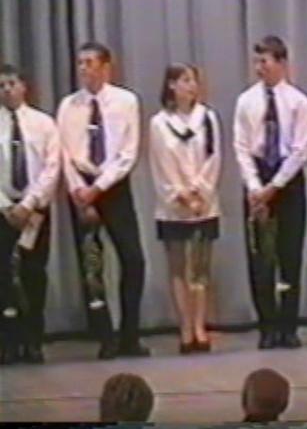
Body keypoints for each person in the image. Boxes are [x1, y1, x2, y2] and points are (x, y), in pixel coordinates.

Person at [56, 42, 149, 360]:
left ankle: (130, 335)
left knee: (133, 260)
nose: (84, 69)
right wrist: (79, 190)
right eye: (80, 63)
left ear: (106, 67)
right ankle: (104, 336)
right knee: (92, 265)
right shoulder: (69, 106)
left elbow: (128, 153)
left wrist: (100, 187)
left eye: (90, 62)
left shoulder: (125, 101)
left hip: (113, 185)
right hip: (81, 188)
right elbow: (64, 153)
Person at [234, 36, 307, 349]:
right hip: (258, 177)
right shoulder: (246, 101)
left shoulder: (298, 101)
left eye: (265, 61)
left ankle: (288, 326)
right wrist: (256, 187)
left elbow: (300, 149)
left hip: (287, 180)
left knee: (289, 254)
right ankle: (266, 325)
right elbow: (241, 147)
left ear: (281, 63)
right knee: (260, 258)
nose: (259, 68)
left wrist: (275, 186)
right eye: (256, 62)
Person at [149, 64, 222, 354]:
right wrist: (179, 195)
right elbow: (160, 165)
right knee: (178, 267)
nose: (191, 86)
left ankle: (200, 326)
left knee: (200, 269)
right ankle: (185, 328)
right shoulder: (159, 123)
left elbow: (214, 157)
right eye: (185, 80)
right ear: (171, 85)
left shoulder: (208, 118)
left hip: (203, 204)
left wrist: (200, 192)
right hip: (174, 207)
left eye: (194, 80)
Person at [0, 64, 60, 365]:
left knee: (34, 274)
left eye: (12, 83)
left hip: (35, 209)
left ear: (24, 86)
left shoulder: (43, 123)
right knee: (3, 277)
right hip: (3, 209)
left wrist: (30, 202)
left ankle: (34, 339)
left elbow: (52, 167)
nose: (7, 90)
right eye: (1, 86)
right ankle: (9, 342)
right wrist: (6, 205)